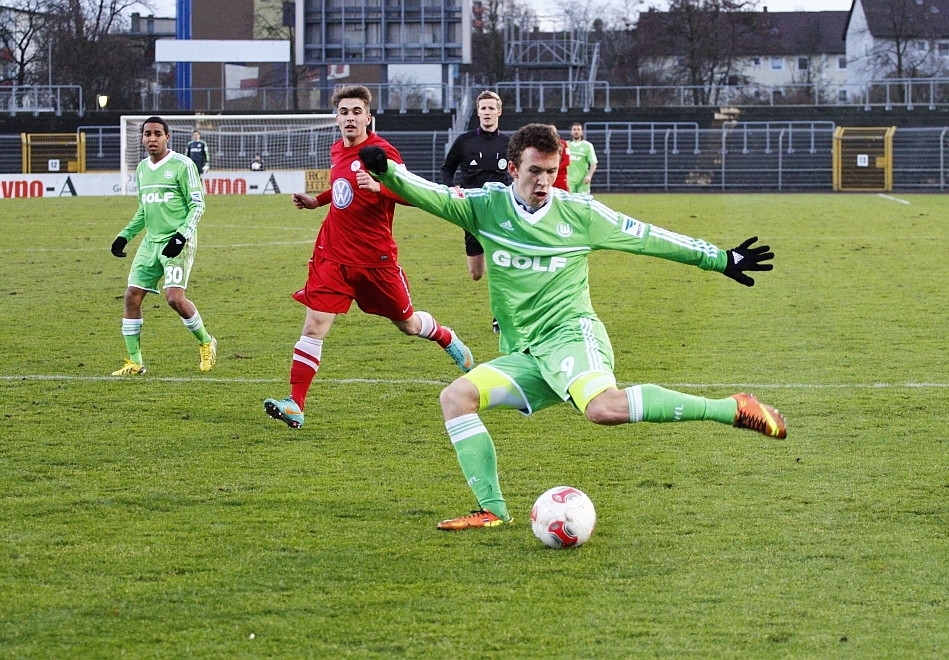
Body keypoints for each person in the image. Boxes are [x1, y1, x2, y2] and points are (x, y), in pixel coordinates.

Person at [357, 123, 784, 531]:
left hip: (571, 335)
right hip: (527, 352)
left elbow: (648, 237)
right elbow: (429, 194)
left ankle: (731, 408)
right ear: (513, 168)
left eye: (551, 171)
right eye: (534, 171)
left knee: (602, 408)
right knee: (456, 397)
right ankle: (492, 511)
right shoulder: (484, 207)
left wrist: (720, 259)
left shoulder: (580, 213)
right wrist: (387, 171)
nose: (544, 181)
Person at [262, 85, 475, 430]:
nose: (350, 118)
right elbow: (343, 187)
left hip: (375, 261)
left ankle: (444, 336)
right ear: (337, 119)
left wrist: (380, 187)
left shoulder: (381, 152)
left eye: (356, 112)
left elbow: (414, 193)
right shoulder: (337, 149)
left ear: (368, 118)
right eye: (344, 112)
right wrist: (317, 201)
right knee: (315, 325)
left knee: (407, 325)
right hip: (333, 254)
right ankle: (295, 404)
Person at [110, 116, 216, 376]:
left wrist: (181, 237)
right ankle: (135, 362)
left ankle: (206, 341)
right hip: (151, 242)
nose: (152, 138)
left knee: (174, 298)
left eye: (157, 134)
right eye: (147, 134)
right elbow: (144, 210)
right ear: (142, 138)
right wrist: (125, 236)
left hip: (177, 241)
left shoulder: (183, 165)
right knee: (132, 296)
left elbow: (197, 205)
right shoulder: (142, 169)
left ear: (167, 137)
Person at [440, 90, 511, 283]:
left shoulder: (508, 143)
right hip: (472, 210)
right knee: (476, 274)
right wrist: (450, 188)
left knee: (502, 267)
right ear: (478, 112)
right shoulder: (465, 141)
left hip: (499, 208)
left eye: (491, 108)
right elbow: (447, 169)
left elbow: (520, 171)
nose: (487, 112)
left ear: (499, 112)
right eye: (483, 108)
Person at [567, 122, 598, 194]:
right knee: (568, 200)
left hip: (582, 181)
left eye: (578, 129)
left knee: (582, 200)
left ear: (582, 132)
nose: (576, 131)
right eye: (574, 129)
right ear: (571, 132)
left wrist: (589, 176)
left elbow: (593, 163)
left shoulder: (588, 146)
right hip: (569, 180)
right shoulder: (566, 145)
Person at [551, 126, 570, 192]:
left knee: (563, 195)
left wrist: (555, 168)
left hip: (560, 177)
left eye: (553, 131)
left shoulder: (563, 144)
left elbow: (567, 161)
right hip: (548, 176)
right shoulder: (543, 145)